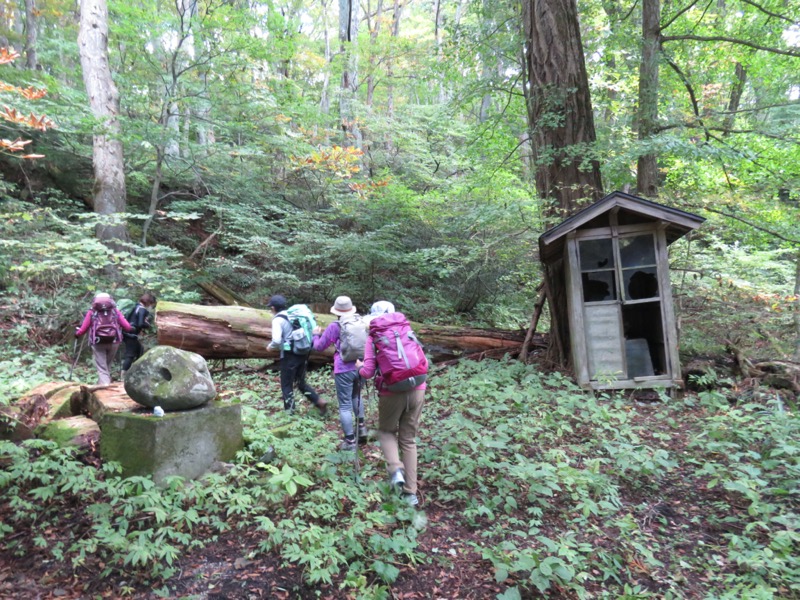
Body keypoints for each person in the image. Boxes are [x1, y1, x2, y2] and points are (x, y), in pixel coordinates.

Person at [357, 301, 426, 506]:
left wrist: (360, 367)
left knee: (387, 432)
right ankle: (410, 493)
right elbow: (424, 361)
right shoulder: (406, 329)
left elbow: (368, 373)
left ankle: (396, 469)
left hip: (391, 391)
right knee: (409, 439)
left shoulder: (374, 335)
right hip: (418, 389)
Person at [312, 296, 366, 451]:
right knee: (357, 396)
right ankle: (362, 429)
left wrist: (316, 334)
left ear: (336, 311)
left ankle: (350, 442)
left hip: (344, 369)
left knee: (344, 406)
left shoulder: (335, 326)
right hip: (361, 366)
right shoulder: (361, 322)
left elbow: (319, 347)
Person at [266, 294, 327, 415]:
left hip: (289, 355)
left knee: (286, 384)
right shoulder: (293, 315)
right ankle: (319, 401)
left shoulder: (278, 320)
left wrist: (270, 347)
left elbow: (277, 340)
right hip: (303, 352)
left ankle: (290, 413)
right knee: (300, 382)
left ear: (273, 308)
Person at [75, 292, 133, 385]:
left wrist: (77, 334)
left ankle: (104, 385)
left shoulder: (92, 312)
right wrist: (131, 329)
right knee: (107, 365)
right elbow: (127, 327)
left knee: (102, 367)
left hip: (98, 342)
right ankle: (104, 384)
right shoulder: (115, 311)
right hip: (114, 341)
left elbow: (83, 328)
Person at [121, 292, 157, 378]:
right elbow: (140, 324)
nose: (151, 306)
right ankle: (123, 376)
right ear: (149, 302)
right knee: (130, 354)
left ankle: (133, 373)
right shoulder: (142, 309)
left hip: (126, 333)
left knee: (139, 350)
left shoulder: (135, 307)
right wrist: (147, 325)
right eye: (151, 304)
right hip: (131, 335)